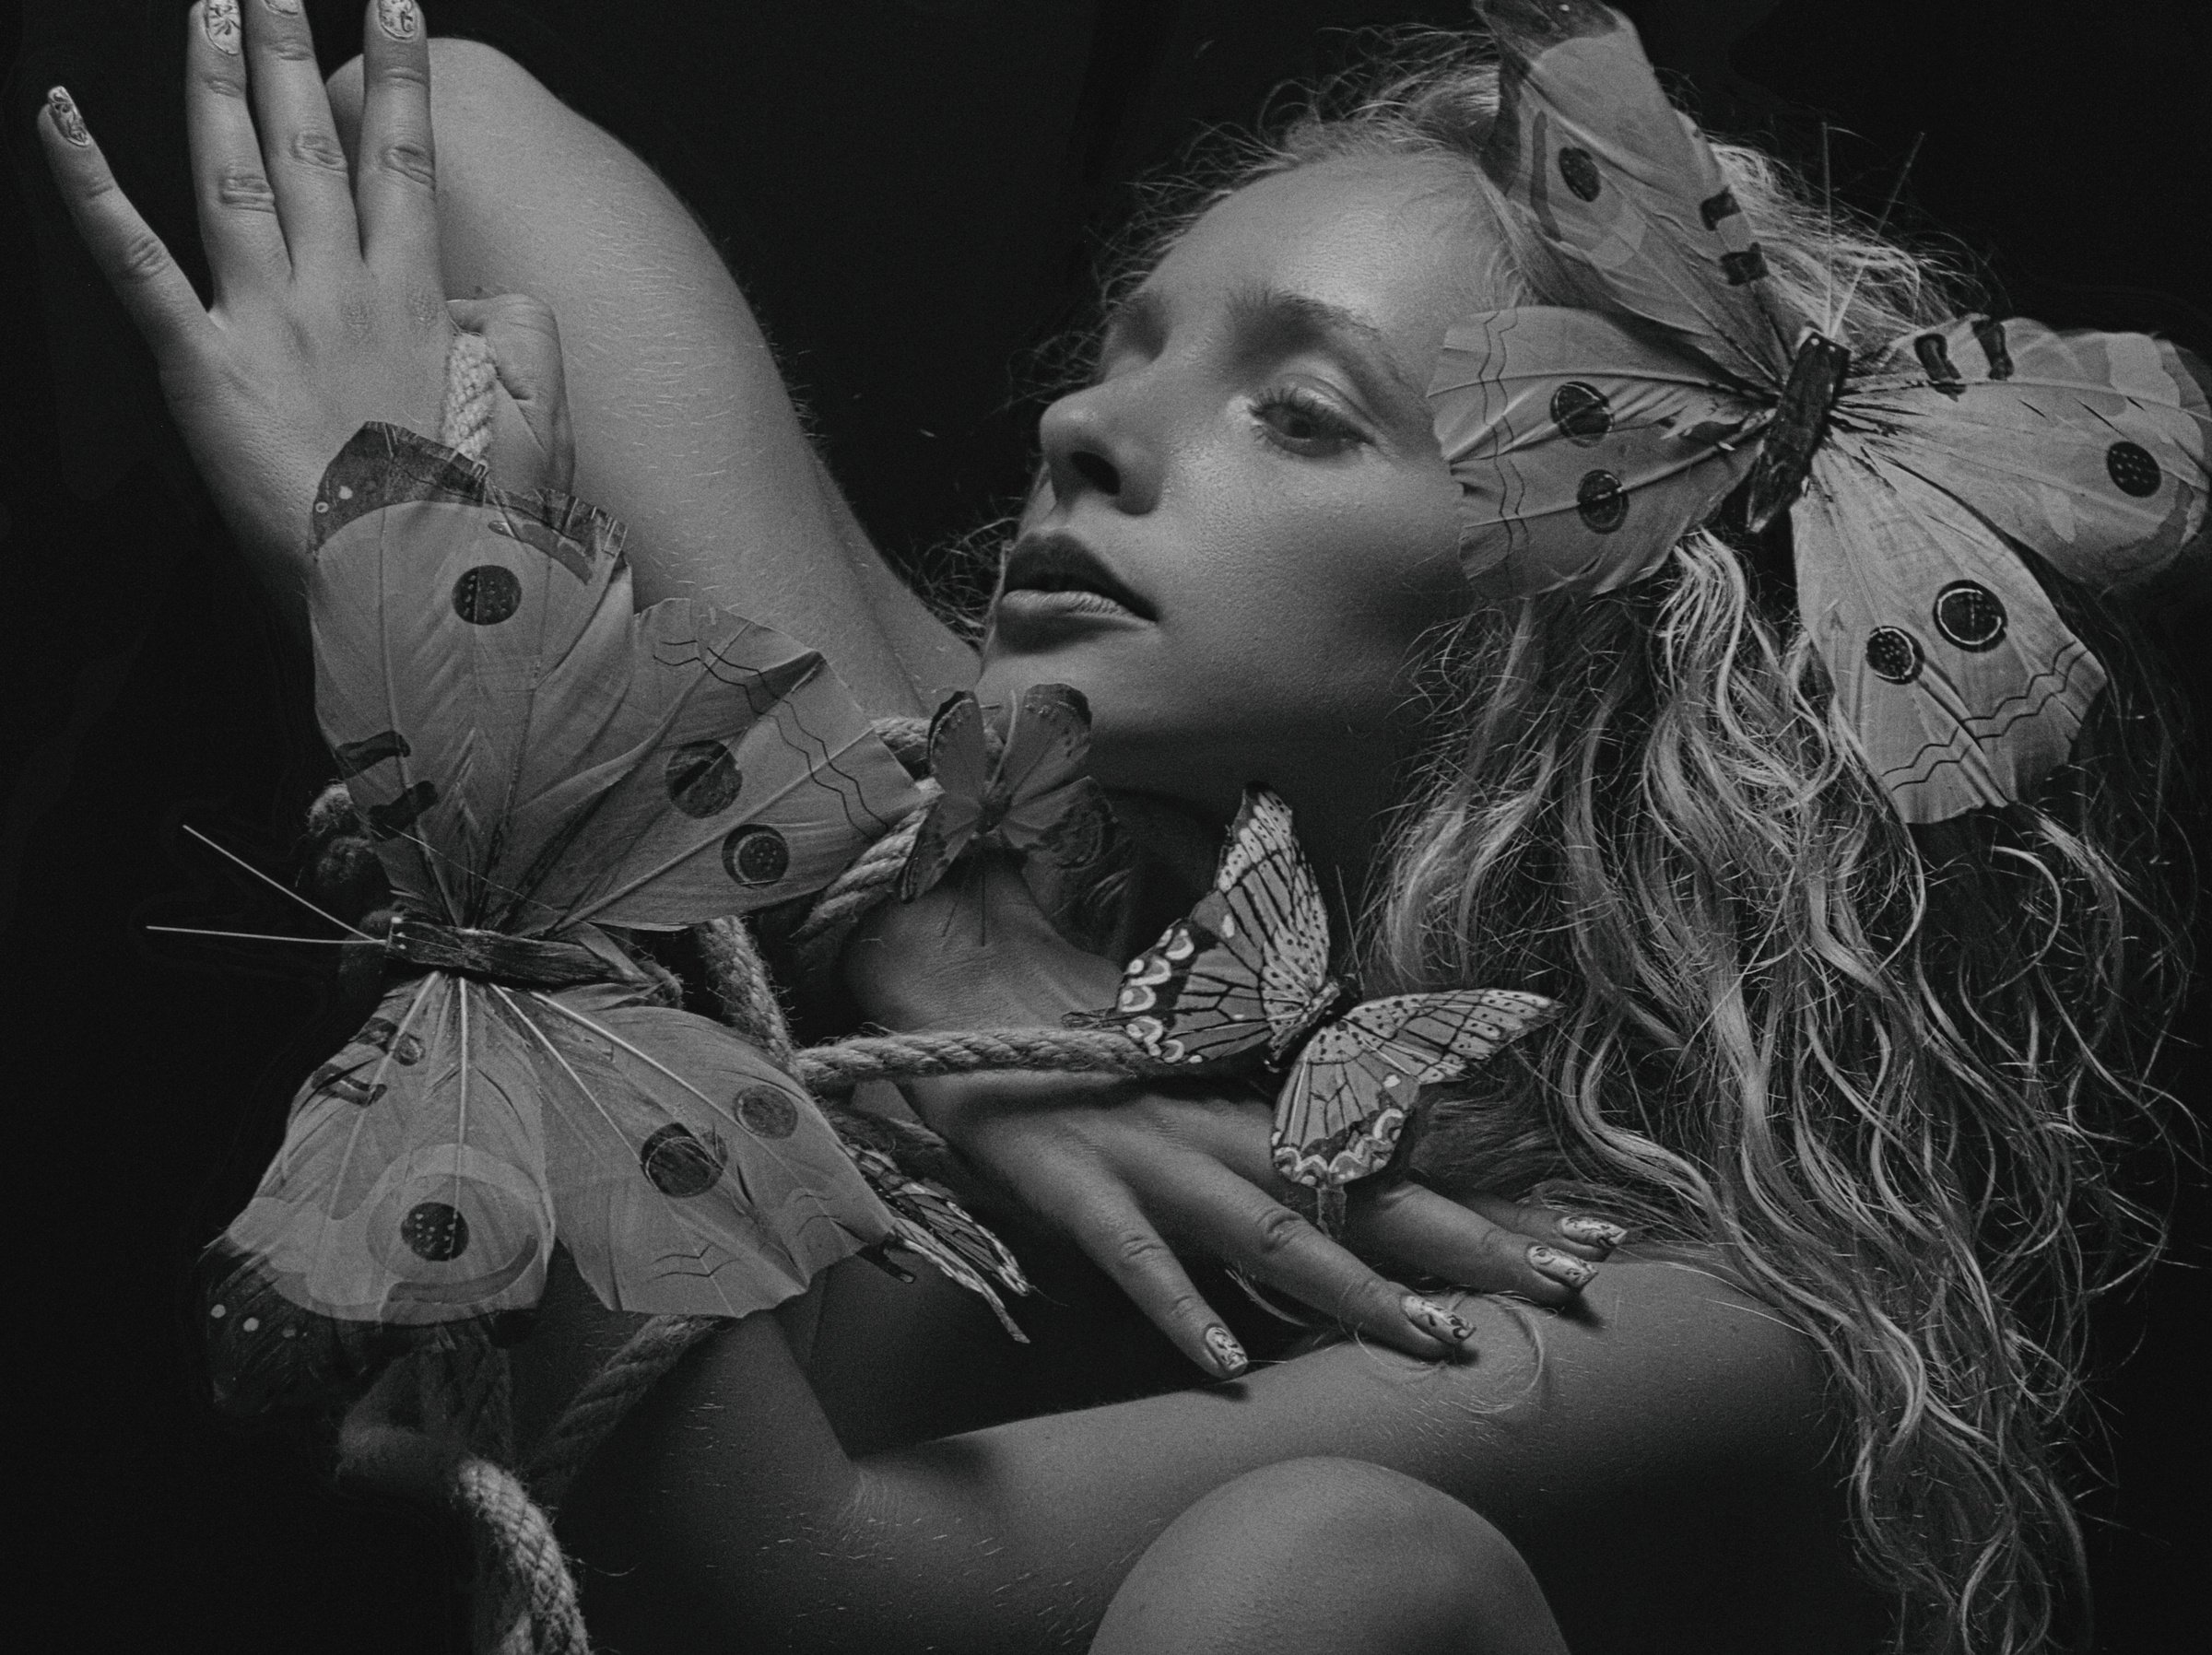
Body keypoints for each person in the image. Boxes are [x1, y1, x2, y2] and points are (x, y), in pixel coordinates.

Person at [36, 4, 2200, 1652]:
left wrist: (443, 653)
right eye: (1128, 348)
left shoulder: (1706, 1316)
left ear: (1599, 620)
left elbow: (808, 1574)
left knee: (1328, 1568)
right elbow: (465, 129)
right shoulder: (1024, 880)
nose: (1090, 423)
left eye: (1295, 411)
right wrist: (936, 915)